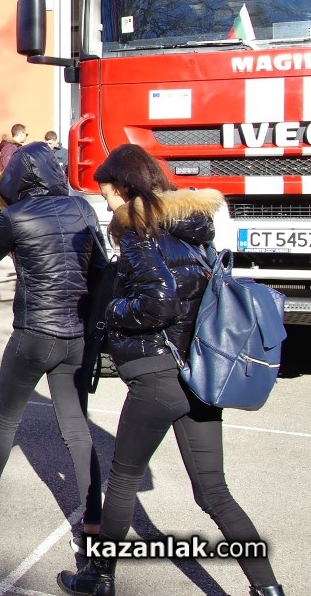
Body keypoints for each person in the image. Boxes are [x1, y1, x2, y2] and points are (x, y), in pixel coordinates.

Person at [57, 144, 285, 596]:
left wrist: (111, 312)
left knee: (123, 481)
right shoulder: (193, 232)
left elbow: (159, 301)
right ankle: (268, 589)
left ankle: (99, 577)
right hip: (199, 373)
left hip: (158, 375)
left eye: (107, 192)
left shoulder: (139, 232)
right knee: (213, 491)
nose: (107, 202)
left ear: (124, 187)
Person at [0, 141, 104, 556]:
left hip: (33, 332)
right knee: (76, 429)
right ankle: (93, 521)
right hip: (74, 334)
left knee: (5, 419)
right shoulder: (83, 209)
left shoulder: (16, 215)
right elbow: (100, 269)